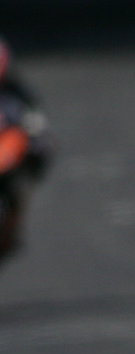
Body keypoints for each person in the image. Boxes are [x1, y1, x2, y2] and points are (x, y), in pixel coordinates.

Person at [0, 36, 54, 262]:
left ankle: (9, 232)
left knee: (17, 193)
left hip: (10, 166)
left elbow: (39, 136)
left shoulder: (18, 95)